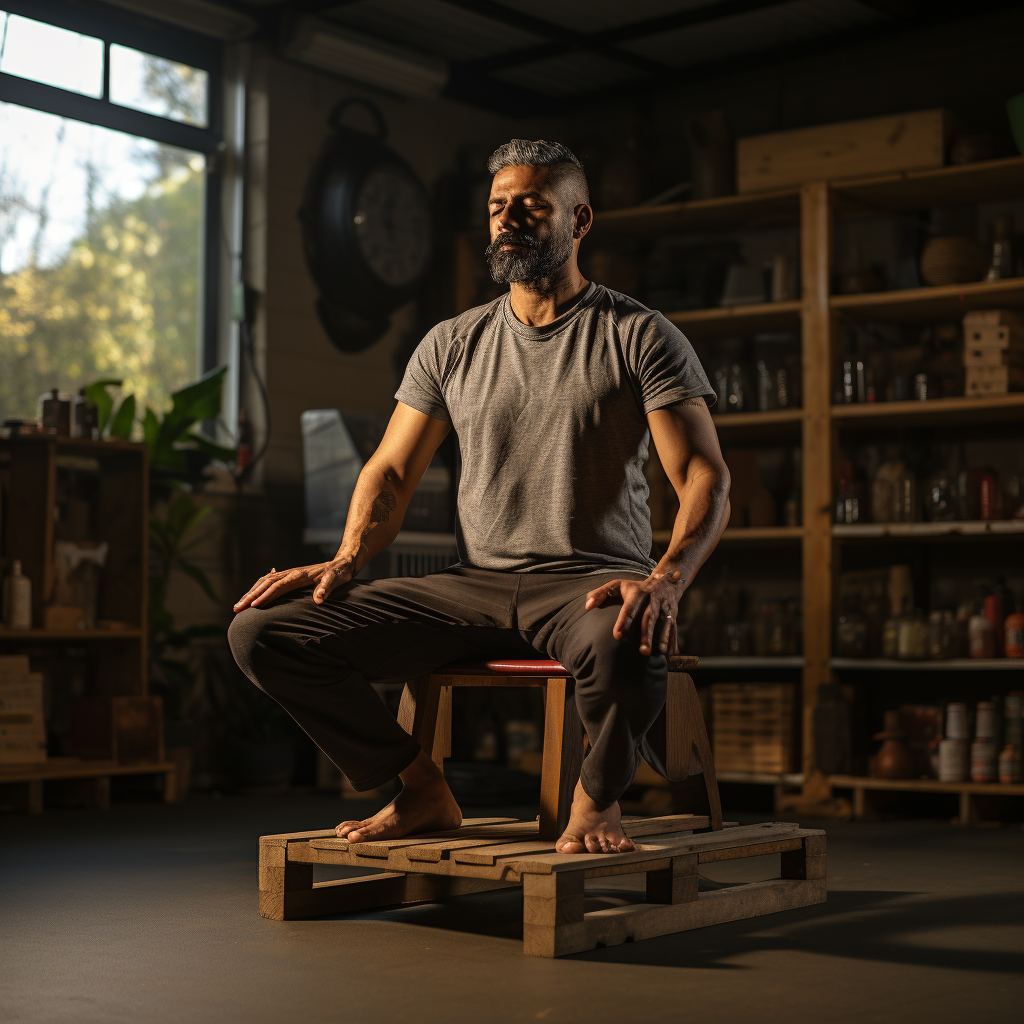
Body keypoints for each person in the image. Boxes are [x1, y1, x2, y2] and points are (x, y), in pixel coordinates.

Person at [229, 139, 730, 855]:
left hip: (586, 585)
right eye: (499, 206)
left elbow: (704, 474)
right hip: (473, 587)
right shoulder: (451, 343)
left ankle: (596, 801)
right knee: (264, 633)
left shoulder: (638, 335)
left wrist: (667, 578)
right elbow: (392, 471)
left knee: (633, 638)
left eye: (532, 205)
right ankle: (420, 788)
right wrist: (345, 558)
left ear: (580, 219)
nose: (509, 220)